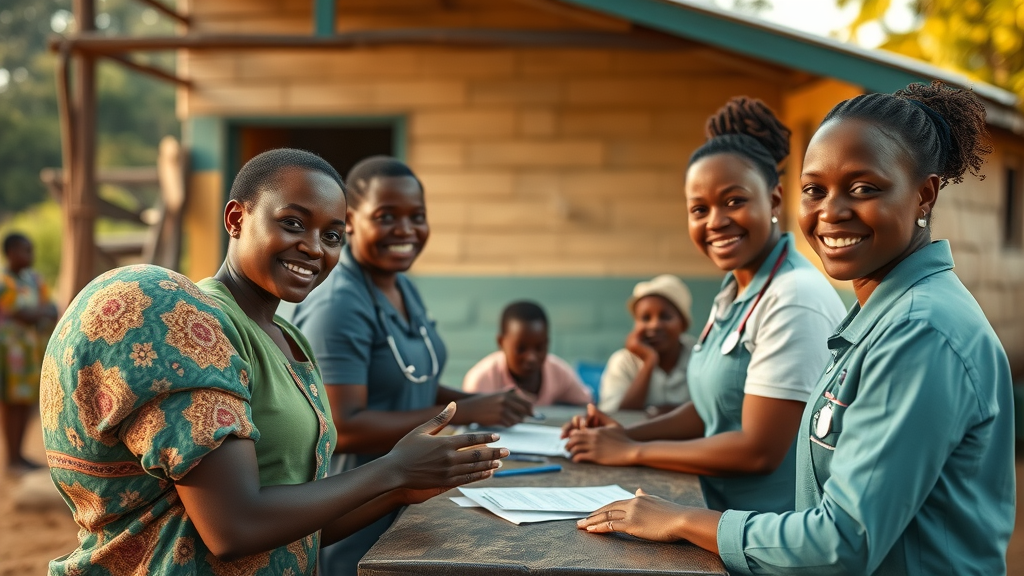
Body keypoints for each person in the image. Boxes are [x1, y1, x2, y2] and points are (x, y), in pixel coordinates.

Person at [577, 81, 1014, 575]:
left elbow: (841, 542)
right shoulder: (882, 313)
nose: (831, 211)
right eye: (815, 190)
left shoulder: (920, 332)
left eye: (864, 188)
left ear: (924, 196)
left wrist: (681, 519)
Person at [40, 148, 506, 575]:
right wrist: (392, 469)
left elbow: (294, 526)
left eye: (331, 235)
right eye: (293, 223)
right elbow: (234, 529)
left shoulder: (290, 339)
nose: (314, 248)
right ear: (236, 218)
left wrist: (399, 491)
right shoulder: (185, 326)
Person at [563, 97, 846, 515]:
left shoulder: (794, 296)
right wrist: (627, 432)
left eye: (734, 201)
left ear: (774, 199)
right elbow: (714, 406)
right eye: (700, 209)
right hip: (712, 509)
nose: (715, 221)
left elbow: (758, 450)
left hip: (767, 531)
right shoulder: (735, 289)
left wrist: (630, 452)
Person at [292, 155, 533, 576]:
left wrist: (476, 401)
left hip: (407, 493)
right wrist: (468, 413)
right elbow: (342, 426)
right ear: (349, 221)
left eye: (417, 216)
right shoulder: (339, 305)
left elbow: (413, 382)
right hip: (355, 507)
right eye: (387, 216)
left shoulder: (401, 287)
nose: (406, 230)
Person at [462, 300, 592, 406]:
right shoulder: (482, 380)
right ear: (501, 343)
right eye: (521, 349)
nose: (531, 358)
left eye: (540, 348)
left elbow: (586, 405)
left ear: (547, 342)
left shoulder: (558, 371)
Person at [0, 232, 57, 474]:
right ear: (11, 252)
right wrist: (39, 312)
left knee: (24, 404)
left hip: (29, 353)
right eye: (25, 250)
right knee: (10, 404)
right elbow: (24, 315)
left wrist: (38, 313)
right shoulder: (4, 282)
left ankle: (20, 455)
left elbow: (51, 308)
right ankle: (12, 458)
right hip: (9, 355)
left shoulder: (34, 279)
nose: (30, 256)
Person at [598, 275, 695, 414]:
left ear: (683, 324)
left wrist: (658, 412)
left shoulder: (699, 357)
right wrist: (649, 362)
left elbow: (707, 412)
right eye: (645, 318)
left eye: (665, 317)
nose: (654, 325)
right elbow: (617, 416)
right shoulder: (622, 362)